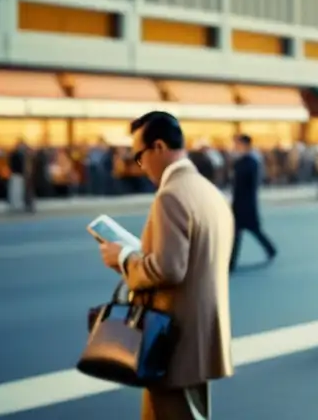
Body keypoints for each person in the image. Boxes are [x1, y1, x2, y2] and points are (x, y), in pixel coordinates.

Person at [98, 111, 235, 420]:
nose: (139, 165)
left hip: (172, 339)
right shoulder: (207, 191)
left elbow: (169, 269)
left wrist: (123, 258)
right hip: (201, 334)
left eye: (139, 156)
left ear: (158, 147)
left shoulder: (170, 196)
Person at [228, 134, 277, 271]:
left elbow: (251, 186)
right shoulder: (240, 162)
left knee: (250, 231)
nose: (235, 147)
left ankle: (231, 263)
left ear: (244, 144)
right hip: (239, 203)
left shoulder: (251, 162)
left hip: (246, 204)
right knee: (239, 234)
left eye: (237, 144)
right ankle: (231, 262)